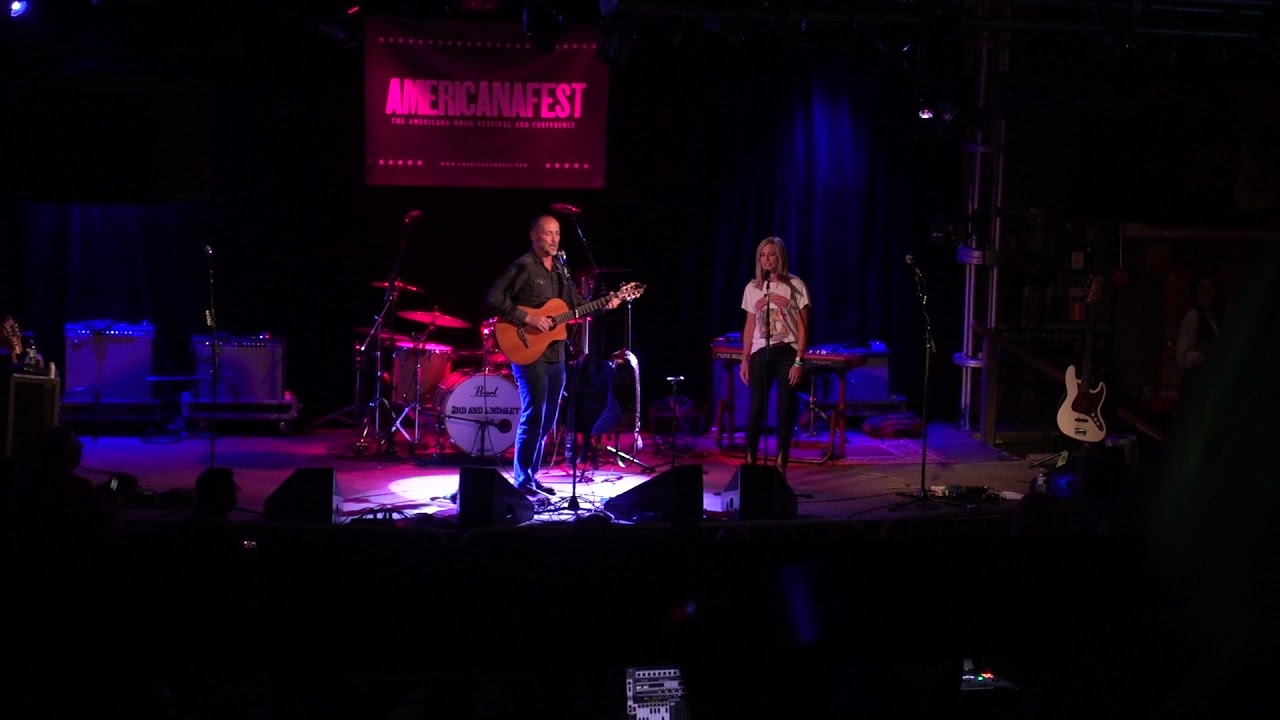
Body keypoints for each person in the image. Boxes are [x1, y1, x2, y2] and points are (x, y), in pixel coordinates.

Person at [485, 215, 621, 495]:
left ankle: (531, 476)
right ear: (534, 236)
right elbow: (494, 298)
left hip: (555, 354)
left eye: (557, 233)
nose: (554, 238)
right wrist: (528, 319)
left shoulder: (561, 270)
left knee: (548, 421)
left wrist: (608, 303)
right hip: (527, 350)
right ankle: (522, 480)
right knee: (534, 416)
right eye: (548, 234)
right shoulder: (523, 266)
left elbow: (577, 306)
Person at [738, 236, 810, 475]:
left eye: (772, 254)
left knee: (784, 408)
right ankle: (750, 459)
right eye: (763, 255)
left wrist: (799, 359)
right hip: (760, 352)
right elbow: (749, 326)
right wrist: (744, 359)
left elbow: (803, 326)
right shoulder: (753, 288)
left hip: (787, 353)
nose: (767, 259)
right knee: (756, 407)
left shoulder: (795, 285)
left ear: (780, 257)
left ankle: (781, 462)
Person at [1174, 272, 1223, 411]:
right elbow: (1182, 356)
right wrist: (1205, 354)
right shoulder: (1194, 316)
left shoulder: (1213, 318)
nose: (1207, 293)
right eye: (1202, 289)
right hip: (1198, 384)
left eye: (1211, 288)